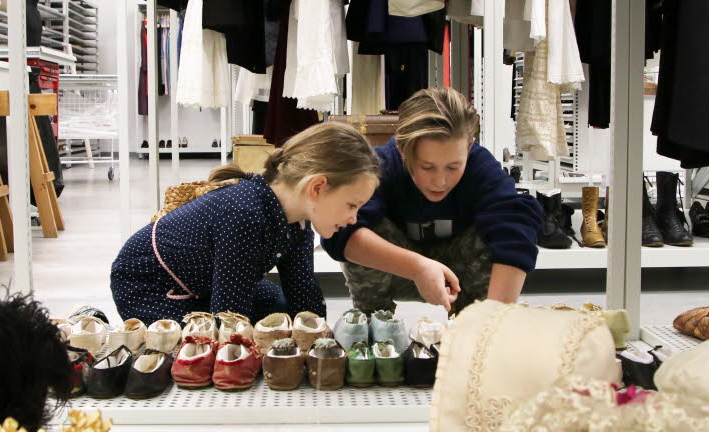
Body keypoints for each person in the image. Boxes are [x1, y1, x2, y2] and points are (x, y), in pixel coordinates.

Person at [111, 122, 381, 323]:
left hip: (206, 283)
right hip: (151, 287)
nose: (353, 218)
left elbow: (303, 293)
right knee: (200, 345)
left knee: (284, 309)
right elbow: (229, 315)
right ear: (318, 187)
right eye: (351, 205)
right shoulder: (245, 215)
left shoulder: (299, 220)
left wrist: (318, 334)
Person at [322, 87, 542, 314]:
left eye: (453, 167)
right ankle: (374, 322)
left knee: (506, 227)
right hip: (399, 272)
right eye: (427, 167)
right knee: (354, 221)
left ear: (468, 146)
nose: (440, 181)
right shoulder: (383, 164)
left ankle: (477, 321)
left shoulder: (480, 166)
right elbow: (338, 234)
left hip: (461, 276)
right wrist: (418, 268)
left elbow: (517, 224)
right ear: (402, 149)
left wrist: (495, 319)